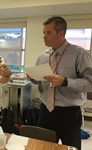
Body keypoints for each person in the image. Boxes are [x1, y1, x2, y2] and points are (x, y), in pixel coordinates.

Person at [27, 16, 92, 150]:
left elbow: (90, 83)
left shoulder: (79, 54)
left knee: (71, 147)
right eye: (44, 33)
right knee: (42, 147)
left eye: (49, 33)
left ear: (61, 33)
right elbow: (41, 81)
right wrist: (34, 78)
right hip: (45, 110)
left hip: (69, 113)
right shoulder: (43, 56)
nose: (44, 36)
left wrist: (66, 81)